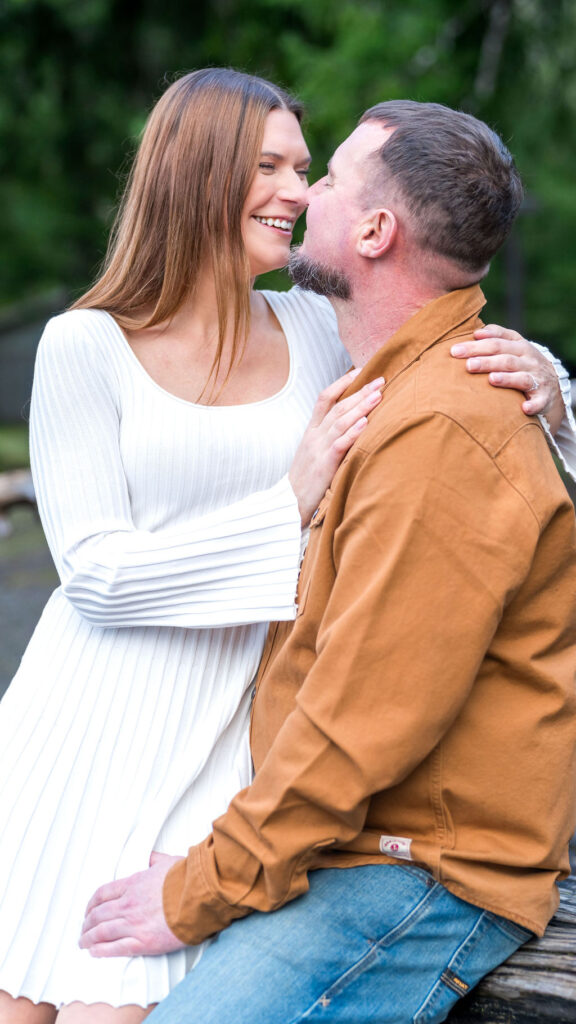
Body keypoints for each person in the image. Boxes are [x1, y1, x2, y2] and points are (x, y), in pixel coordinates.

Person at [0, 68, 572, 1024]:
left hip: (231, 728)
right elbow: (94, 572)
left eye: (312, 170)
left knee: (118, 1002)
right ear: (198, 176)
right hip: (95, 711)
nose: (301, 192)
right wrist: (286, 505)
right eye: (269, 165)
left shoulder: (316, 326)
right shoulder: (83, 344)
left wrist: (550, 379)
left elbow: (449, 373)